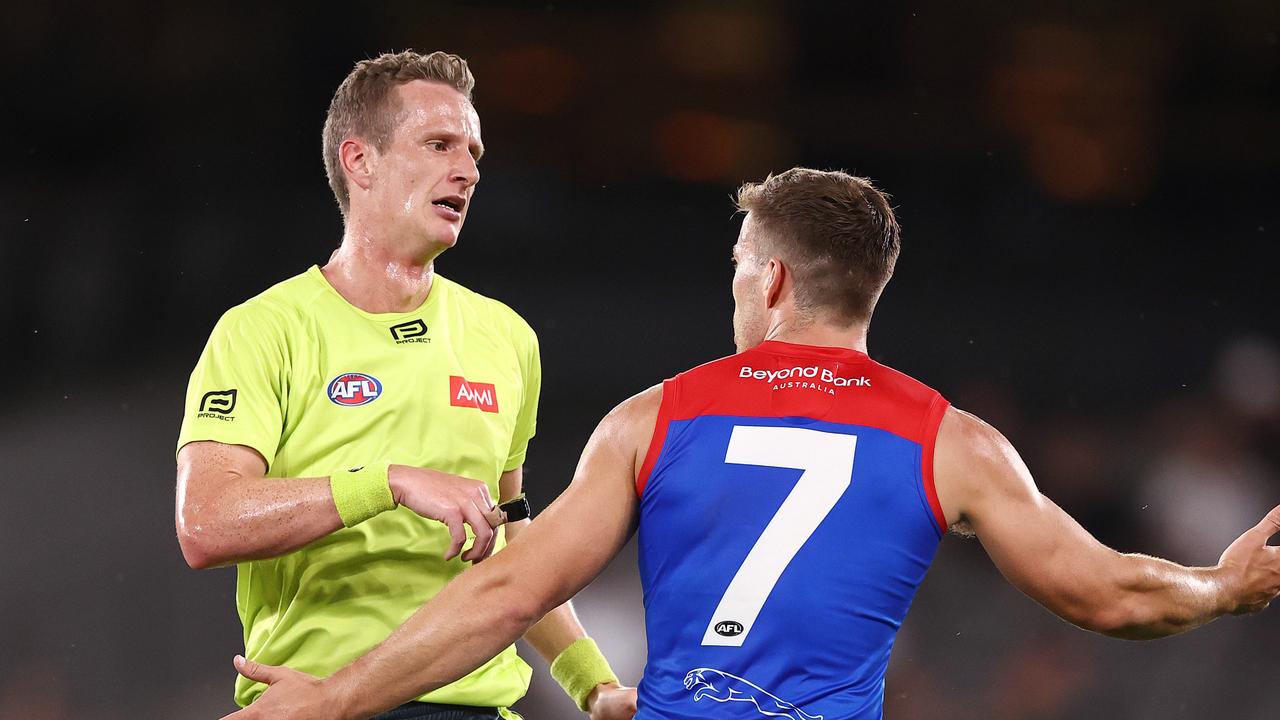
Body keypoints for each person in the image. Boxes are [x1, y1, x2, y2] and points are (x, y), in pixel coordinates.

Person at [221, 168, 1280, 720]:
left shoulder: (654, 419)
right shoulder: (950, 443)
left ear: (769, 280)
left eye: (738, 264)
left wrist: (333, 696)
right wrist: (1219, 587)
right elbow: (1107, 595)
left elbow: (501, 594)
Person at [175, 50, 635, 720]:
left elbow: (513, 548)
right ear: (360, 162)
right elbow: (206, 524)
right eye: (439, 144)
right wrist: (386, 482)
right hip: (312, 704)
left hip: (477, 708)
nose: (469, 171)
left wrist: (593, 684)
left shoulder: (504, 337)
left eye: (474, 152)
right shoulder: (261, 330)